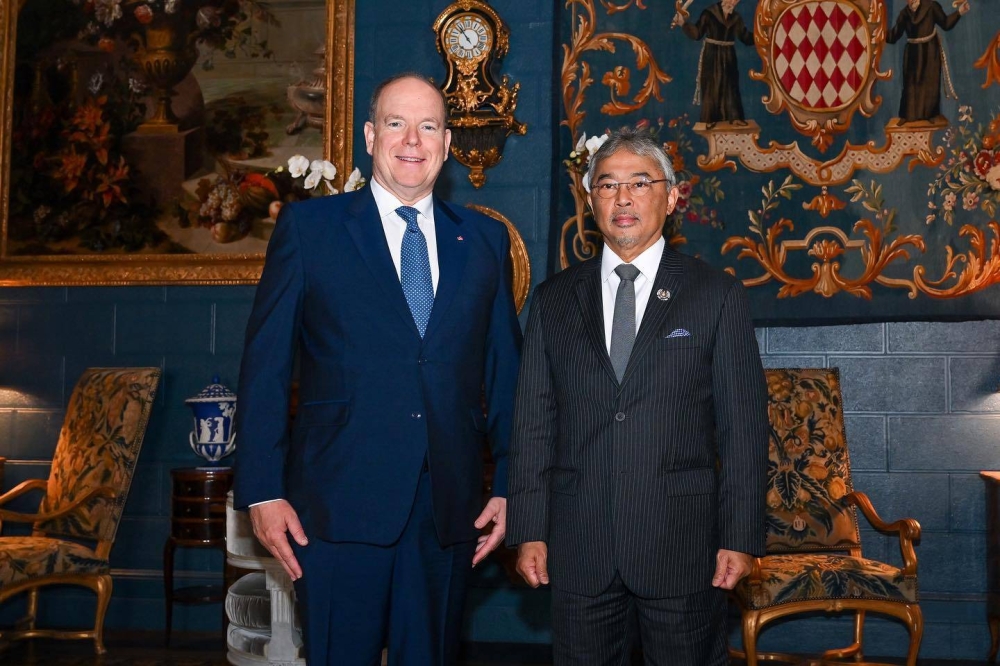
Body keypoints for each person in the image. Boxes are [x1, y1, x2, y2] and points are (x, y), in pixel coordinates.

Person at [233, 72, 522, 665]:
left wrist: (516, 486)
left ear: (446, 144)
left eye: (428, 126)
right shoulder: (309, 231)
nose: (412, 140)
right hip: (335, 508)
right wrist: (261, 489)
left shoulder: (486, 242)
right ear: (370, 135)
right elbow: (265, 364)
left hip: (447, 512)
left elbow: (506, 374)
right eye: (396, 123)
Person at [506, 126, 768, 665]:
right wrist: (528, 528)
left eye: (639, 183)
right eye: (606, 185)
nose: (622, 198)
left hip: (682, 547)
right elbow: (533, 423)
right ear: (590, 199)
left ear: (671, 198)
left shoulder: (715, 295)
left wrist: (741, 535)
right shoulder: (554, 301)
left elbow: (742, 427)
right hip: (579, 547)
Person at [673, 0, 755, 127]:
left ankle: (735, 117)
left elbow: (745, 37)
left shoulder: (736, 17)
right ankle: (710, 120)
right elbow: (697, 34)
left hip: (729, 55)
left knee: (731, 85)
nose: (733, 3)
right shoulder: (709, 13)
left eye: (736, 1)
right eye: (731, 0)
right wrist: (683, 23)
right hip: (712, 54)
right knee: (713, 85)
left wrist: (762, 35)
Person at [887, 0, 969, 123]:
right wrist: (880, 32)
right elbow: (894, 35)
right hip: (912, 53)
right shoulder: (904, 13)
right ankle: (908, 115)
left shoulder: (931, 7)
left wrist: (959, 12)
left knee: (930, 82)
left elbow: (945, 24)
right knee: (910, 84)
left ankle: (929, 115)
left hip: (930, 50)